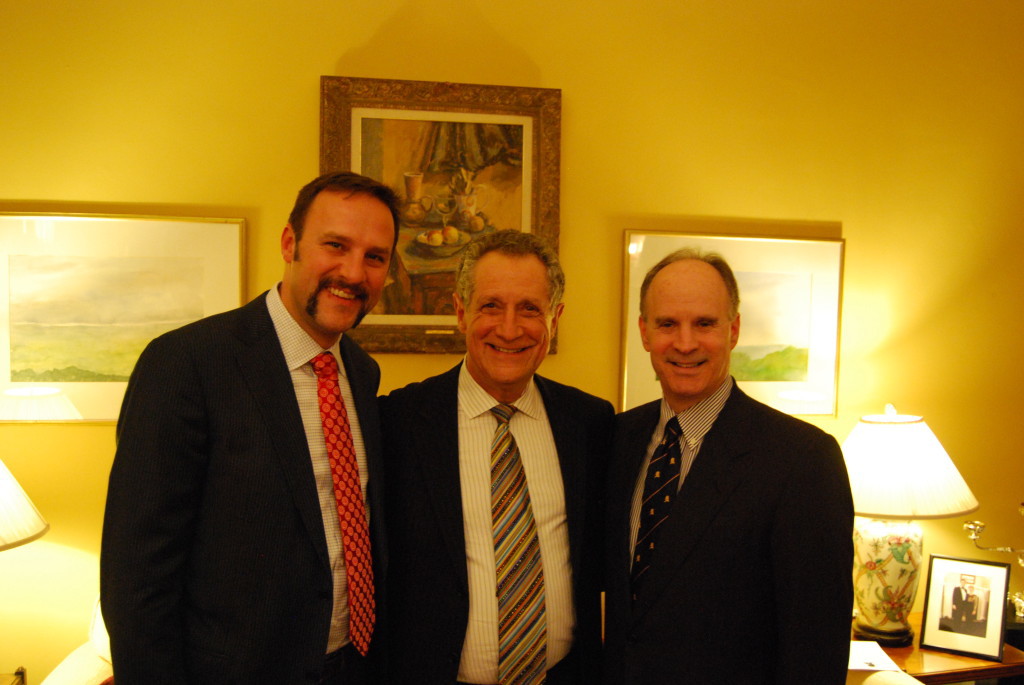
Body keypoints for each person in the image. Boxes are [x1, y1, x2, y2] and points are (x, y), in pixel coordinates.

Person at [100, 171, 401, 684]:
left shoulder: (362, 371)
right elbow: (137, 575)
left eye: (374, 257)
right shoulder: (188, 364)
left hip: (352, 665)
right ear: (290, 243)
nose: (354, 272)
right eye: (336, 245)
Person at [604, 247, 854, 685]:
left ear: (734, 330)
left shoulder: (803, 460)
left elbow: (815, 648)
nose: (685, 343)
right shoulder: (615, 439)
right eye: (667, 324)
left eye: (705, 323)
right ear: (644, 332)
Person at [379, 230, 613, 685]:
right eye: (491, 306)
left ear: (556, 317)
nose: (510, 329)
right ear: (461, 313)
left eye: (530, 308)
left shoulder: (591, 423)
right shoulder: (397, 422)